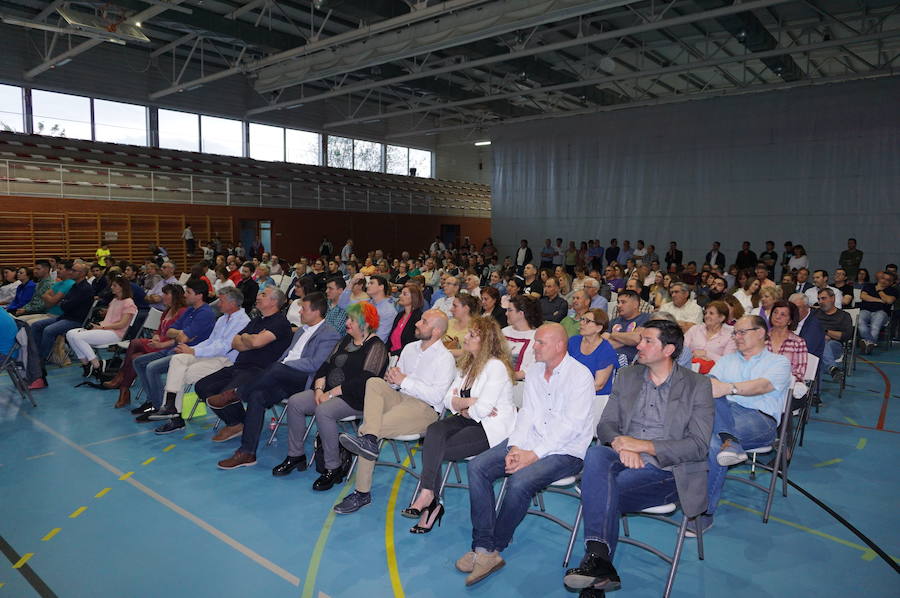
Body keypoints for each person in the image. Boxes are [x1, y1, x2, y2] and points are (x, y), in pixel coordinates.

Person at [563, 320, 713, 595]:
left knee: (600, 491)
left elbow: (698, 446)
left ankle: (596, 568)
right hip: (623, 458)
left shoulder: (697, 385)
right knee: (597, 453)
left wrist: (642, 446)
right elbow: (606, 425)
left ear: (668, 349)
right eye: (640, 339)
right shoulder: (628, 376)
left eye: (647, 341)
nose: (638, 346)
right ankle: (600, 564)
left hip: (669, 472)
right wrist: (623, 446)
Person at [456, 323, 594, 586]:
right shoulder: (535, 372)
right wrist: (517, 446)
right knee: (478, 468)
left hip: (566, 451)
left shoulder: (580, 376)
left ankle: (493, 548)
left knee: (519, 482)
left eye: (540, 343)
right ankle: (483, 546)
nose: (535, 347)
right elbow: (527, 413)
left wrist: (534, 454)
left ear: (559, 345)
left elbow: (570, 427)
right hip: (530, 441)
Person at [335, 310, 457, 515]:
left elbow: (437, 397)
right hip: (400, 397)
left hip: (424, 409)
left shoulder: (445, 359)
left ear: (436, 331)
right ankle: (370, 440)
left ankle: (362, 492)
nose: (417, 323)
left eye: (424, 322)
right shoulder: (410, 348)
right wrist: (392, 380)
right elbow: (395, 382)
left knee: (368, 429)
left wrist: (404, 381)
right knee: (373, 382)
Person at [400, 316, 515, 531]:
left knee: (436, 448)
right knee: (434, 431)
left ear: (486, 341)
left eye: (472, 335)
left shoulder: (496, 367)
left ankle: (430, 501)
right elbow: (447, 399)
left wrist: (464, 406)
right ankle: (428, 495)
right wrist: (468, 404)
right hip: (468, 419)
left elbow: (481, 411)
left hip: (490, 429)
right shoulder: (468, 364)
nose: (466, 337)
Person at [273, 302, 388, 490]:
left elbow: (367, 379)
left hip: (356, 398)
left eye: (352, 319)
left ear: (365, 322)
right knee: (295, 402)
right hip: (328, 393)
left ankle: (333, 467)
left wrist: (332, 393)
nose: (347, 322)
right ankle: (296, 455)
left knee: (324, 411)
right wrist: (319, 390)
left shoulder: (376, 346)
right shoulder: (344, 341)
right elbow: (324, 367)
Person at [700, 315, 792, 534]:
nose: (737, 337)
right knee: (711, 405)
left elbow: (762, 386)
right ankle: (730, 442)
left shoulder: (779, 362)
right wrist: (719, 389)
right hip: (724, 412)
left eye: (742, 332)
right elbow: (710, 384)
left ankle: (704, 512)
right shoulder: (727, 360)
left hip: (759, 418)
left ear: (760, 333)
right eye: (735, 333)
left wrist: (728, 388)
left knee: (712, 442)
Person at [145, 287, 251, 424]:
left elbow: (224, 347)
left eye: (222, 301)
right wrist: (190, 349)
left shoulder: (243, 321)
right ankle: (171, 406)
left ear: (232, 303)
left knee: (183, 374)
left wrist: (194, 352)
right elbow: (210, 341)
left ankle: (176, 417)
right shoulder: (222, 319)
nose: (218, 304)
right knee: (178, 359)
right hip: (210, 355)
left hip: (225, 360)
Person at [130, 280, 216, 419]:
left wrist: (181, 335)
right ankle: (152, 401)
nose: (185, 295)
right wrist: (181, 334)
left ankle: (158, 407)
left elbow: (182, 338)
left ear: (199, 295)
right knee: (138, 362)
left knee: (152, 367)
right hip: (174, 349)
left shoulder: (205, 313)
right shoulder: (190, 310)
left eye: (188, 292)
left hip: (189, 353)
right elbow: (170, 332)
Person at [104, 284, 186, 408]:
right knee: (134, 357)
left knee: (135, 343)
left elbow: (179, 335)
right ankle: (124, 390)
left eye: (166, 294)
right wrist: (156, 335)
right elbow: (159, 330)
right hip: (158, 343)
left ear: (175, 296)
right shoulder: (167, 311)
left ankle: (121, 380)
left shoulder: (182, 312)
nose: (163, 296)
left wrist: (160, 340)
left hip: (167, 346)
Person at [29, 263, 94, 387]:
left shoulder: (85, 288)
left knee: (49, 330)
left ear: (81, 274)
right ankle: (35, 355)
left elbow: (65, 304)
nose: (70, 272)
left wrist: (63, 303)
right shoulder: (75, 286)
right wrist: (63, 303)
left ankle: (41, 361)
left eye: (74, 271)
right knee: (36, 325)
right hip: (65, 317)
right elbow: (64, 303)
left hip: (76, 320)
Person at [65, 276, 137, 378]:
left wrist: (101, 328)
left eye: (114, 285)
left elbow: (122, 324)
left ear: (122, 287)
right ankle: (86, 364)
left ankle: (96, 365)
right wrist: (98, 325)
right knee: (70, 334)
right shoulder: (115, 300)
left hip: (115, 334)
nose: (111, 287)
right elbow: (108, 320)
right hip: (105, 329)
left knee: (78, 337)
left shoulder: (129, 302)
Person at [567, 308, 618, 421]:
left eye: (587, 321)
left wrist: (572, 393)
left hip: (594, 399)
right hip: (571, 394)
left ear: (599, 328)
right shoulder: (573, 341)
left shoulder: (606, 350)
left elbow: (598, 385)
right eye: (582, 319)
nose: (581, 323)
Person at [502, 295, 542, 390]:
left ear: (521, 313)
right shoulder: (503, 332)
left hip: (522, 386)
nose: (506, 313)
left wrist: (516, 375)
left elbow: (537, 365)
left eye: (510, 310)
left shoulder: (537, 337)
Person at [765, 300, 809, 385]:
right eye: (775, 312)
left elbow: (799, 374)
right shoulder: (761, 338)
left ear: (790, 321)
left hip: (784, 387)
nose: (777, 317)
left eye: (783, 314)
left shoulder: (798, 343)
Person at [603, 290, 650, 364]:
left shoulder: (647, 319)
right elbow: (604, 344)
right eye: (618, 302)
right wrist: (628, 339)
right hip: (608, 361)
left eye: (623, 302)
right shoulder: (613, 321)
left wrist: (612, 335)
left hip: (632, 364)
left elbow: (636, 339)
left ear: (636, 304)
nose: (619, 305)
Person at [683, 301, 736, 366]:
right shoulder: (695, 329)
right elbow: (682, 349)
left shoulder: (730, 336)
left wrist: (706, 353)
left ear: (721, 318)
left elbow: (727, 361)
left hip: (713, 372)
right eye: (706, 313)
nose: (706, 316)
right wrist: (692, 354)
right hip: (689, 367)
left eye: (711, 313)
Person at [814, 288, 853, 377]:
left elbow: (846, 336)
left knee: (825, 344)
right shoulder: (815, 314)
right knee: (821, 343)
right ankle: (832, 368)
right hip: (814, 345)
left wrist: (825, 332)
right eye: (819, 299)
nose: (820, 302)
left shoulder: (844, 316)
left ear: (833, 298)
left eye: (823, 298)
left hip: (835, 345)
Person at [858, 270, 898, 354]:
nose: (883, 280)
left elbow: (889, 300)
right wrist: (880, 300)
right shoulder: (869, 285)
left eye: (887, 280)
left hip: (882, 313)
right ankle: (870, 342)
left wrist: (880, 291)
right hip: (865, 311)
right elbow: (863, 296)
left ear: (891, 282)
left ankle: (867, 342)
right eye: (883, 278)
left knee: (876, 324)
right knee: (860, 320)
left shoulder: (893, 290)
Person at [387, 283, 424, 356]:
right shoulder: (400, 315)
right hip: (392, 355)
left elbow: (413, 346)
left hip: (405, 357)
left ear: (414, 298)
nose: (400, 296)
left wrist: (391, 354)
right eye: (401, 293)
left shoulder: (419, 318)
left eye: (405, 294)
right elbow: (390, 339)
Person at [787, 293, 825, 359]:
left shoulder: (815, 325)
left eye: (798, 308)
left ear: (807, 307)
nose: (793, 311)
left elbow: (806, 350)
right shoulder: (788, 320)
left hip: (806, 362)